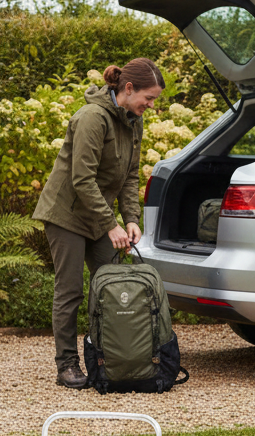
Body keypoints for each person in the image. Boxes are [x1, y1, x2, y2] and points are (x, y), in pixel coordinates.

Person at [34, 57, 164, 387]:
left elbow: (130, 176)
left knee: (111, 286)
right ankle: (67, 365)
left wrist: (132, 219)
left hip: (99, 217)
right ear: (128, 88)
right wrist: (112, 223)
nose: (150, 105)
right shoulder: (92, 117)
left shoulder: (134, 120)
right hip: (67, 214)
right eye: (148, 98)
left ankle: (109, 359)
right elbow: (82, 179)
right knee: (71, 291)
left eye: (154, 100)